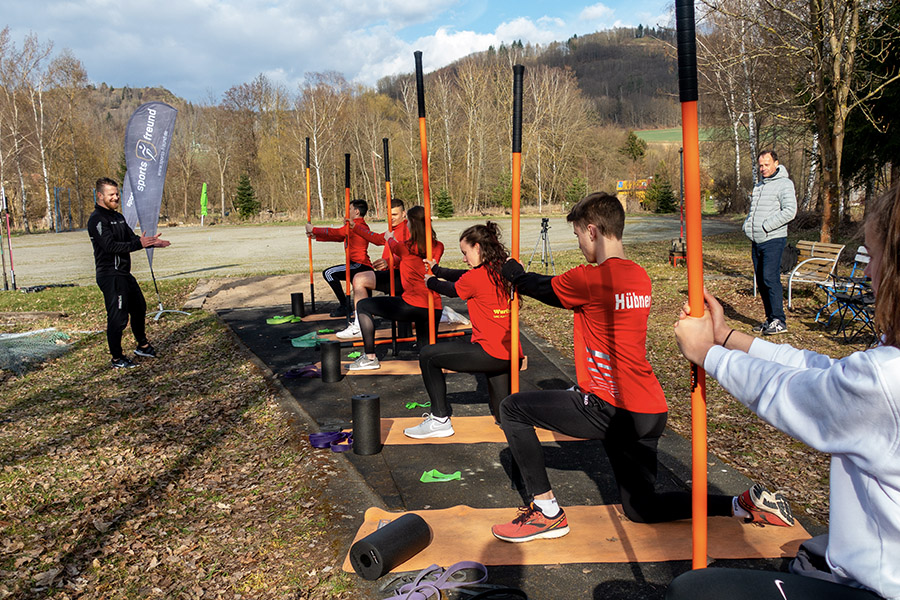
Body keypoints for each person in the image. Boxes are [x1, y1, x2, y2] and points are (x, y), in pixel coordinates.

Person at [491, 192, 793, 543]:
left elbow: (539, 287)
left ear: (592, 231)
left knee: (512, 409)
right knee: (641, 508)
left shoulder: (590, 278)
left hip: (611, 407)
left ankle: (547, 513)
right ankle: (740, 505)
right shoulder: (639, 276)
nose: (579, 245)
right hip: (649, 408)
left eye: (578, 236)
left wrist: (515, 274)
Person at [669, 183, 900, 600]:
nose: (867, 271)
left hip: (877, 587)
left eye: (873, 255)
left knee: (694, 593)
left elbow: (790, 392)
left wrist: (707, 353)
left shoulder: (889, 378)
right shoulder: (885, 369)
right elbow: (822, 371)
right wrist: (726, 338)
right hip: (860, 565)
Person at [403, 221, 523, 439]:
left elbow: (452, 289)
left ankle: (439, 420)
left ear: (478, 248)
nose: (464, 258)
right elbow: (461, 275)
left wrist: (431, 281)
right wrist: (438, 270)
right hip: (510, 352)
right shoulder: (501, 269)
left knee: (428, 355)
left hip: (490, 352)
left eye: (465, 253)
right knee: (503, 415)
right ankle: (511, 422)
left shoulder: (476, 277)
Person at [87, 177, 170, 369]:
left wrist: (149, 241)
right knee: (118, 317)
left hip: (124, 273)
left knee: (139, 307)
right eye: (111, 194)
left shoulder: (118, 217)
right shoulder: (97, 219)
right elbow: (109, 246)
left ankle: (142, 345)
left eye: (117, 194)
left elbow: (131, 238)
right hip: (110, 275)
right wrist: (137, 244)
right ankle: (117, 358)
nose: (116, 197)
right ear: (100, 196)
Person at [349, 206, 444, 371]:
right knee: (427, 355)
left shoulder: (404, 248)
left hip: (412, 305)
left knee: (363, 305)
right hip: (433, 306)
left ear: (411, 225)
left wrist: (389, 237)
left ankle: (370, 357)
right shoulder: (438, 246)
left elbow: (391, 243)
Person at [335, 199, 409, 339]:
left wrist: (389, 261)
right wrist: (354, 227)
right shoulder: (392, 230)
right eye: (389, 214)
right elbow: (375, 238)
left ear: (403, 214)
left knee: (408, 322)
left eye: (394, 214)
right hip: (389, 274)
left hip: (402, 277)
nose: (391, 218)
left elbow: (410, 254)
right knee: (360, 279)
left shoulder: (407, 230)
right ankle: (360, 324)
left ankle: (441, 313)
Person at [743, 150, 797, 335]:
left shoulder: (784, 184)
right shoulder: (759, 186)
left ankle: (779, 320)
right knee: (761, 279)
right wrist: (747, 226)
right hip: (756, 239)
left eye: (767, 164)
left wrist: (766, 226)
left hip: (773, 239)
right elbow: (754, 210)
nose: (763, 168)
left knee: (769, 278)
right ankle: (770, 319)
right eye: (761, 165)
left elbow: (790, 211)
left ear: (776, 163)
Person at [305, 199, 375, 318]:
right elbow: (340, 237)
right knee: (365, 302)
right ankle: (363, 312)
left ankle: (345, 306)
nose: (347, 212)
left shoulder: (356, 226)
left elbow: (336, 232)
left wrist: (314, 229)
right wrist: (317, 236)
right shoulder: (357, 226)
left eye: (349, 209)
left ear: (356, 211)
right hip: (361, 265)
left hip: (359, 265)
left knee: (329, 273)